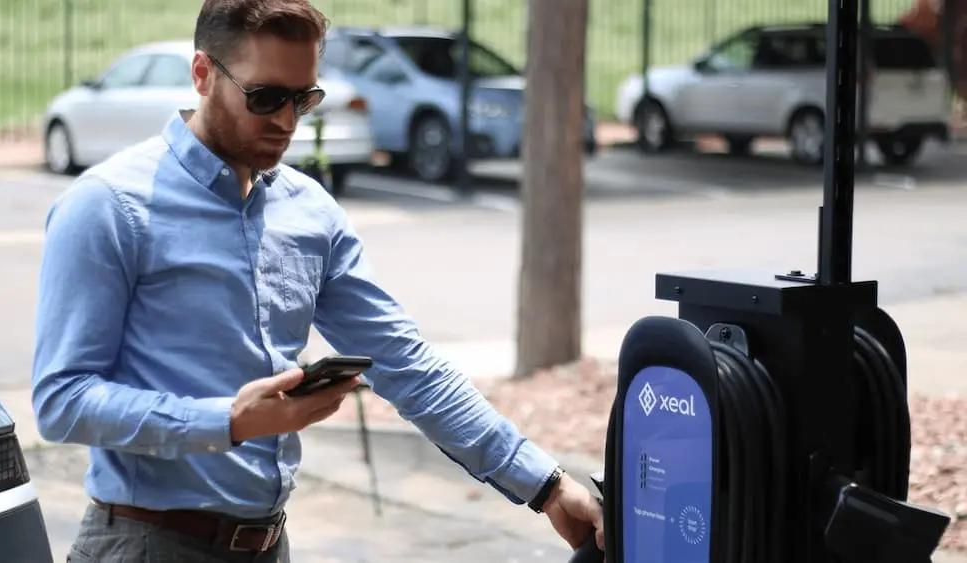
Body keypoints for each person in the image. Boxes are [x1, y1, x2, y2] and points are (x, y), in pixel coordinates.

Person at [31, 1, 604, 561]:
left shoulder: (309, 211)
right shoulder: (107, 206)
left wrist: (547, 485)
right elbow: (62, 400)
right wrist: (227, 421)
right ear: (203, 74)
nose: (286, 120)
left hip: (270, 544)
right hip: (145, 544)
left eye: (303, 98)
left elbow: (408, 365)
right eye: (265, 97)